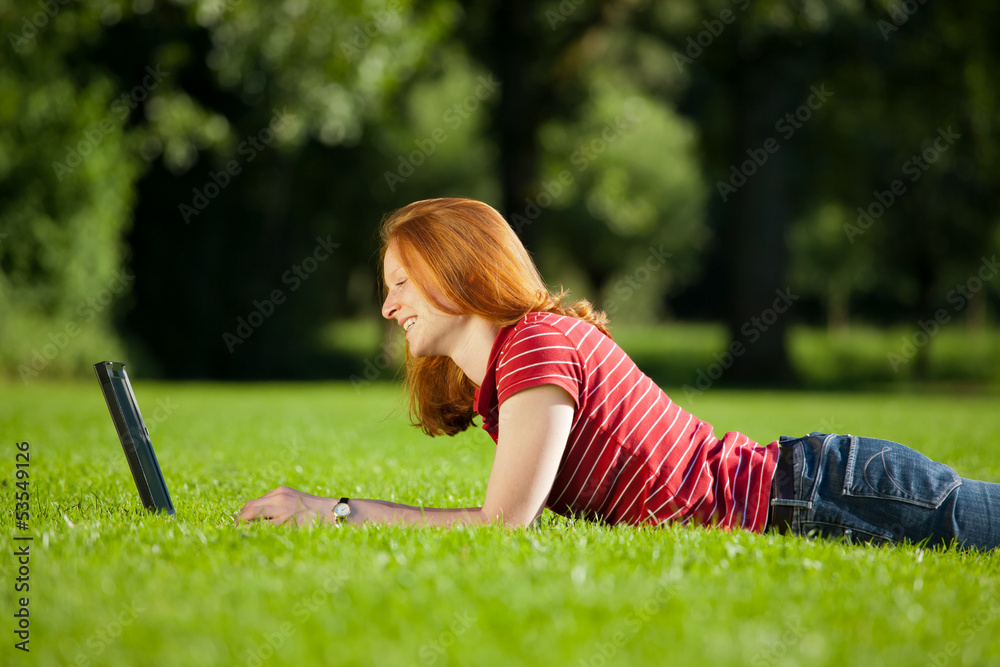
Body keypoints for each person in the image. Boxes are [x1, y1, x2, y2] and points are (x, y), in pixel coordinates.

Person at [237, 197, 1000, 551]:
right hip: (815, 492)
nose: (385, 305)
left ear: (455, 270)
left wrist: (333, 513)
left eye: (401, 281)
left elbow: (500, 526)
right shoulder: (511, 374)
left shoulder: (536, 346)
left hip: (820, 496)